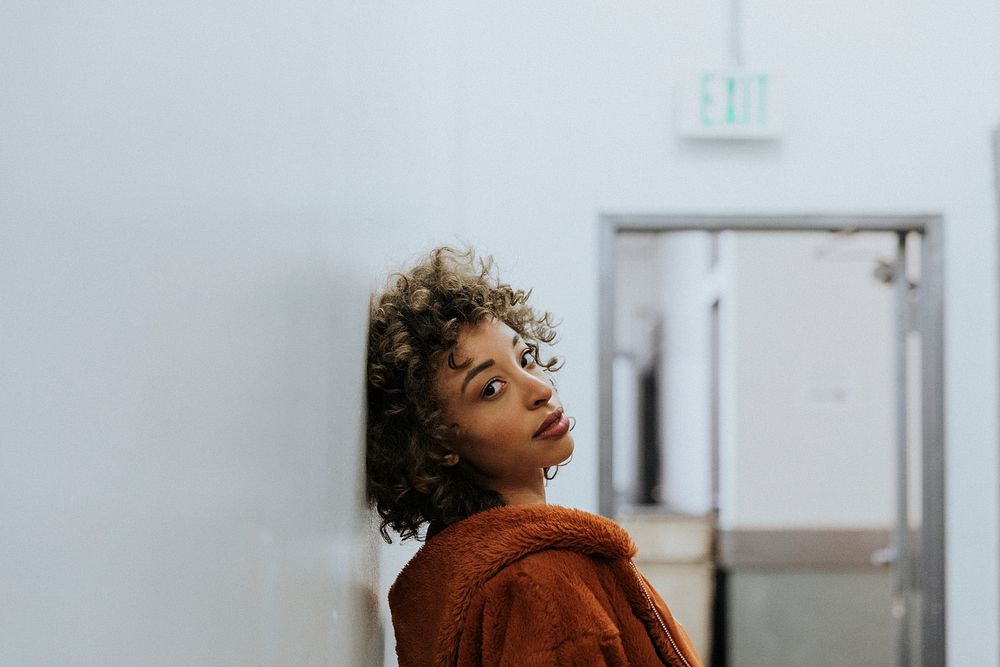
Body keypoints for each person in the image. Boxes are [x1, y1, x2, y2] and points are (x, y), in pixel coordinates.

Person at [366, 247, 702, 667]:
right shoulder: (542, 583)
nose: (540, 388)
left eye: (525, 358)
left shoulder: (447, 570)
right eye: (491, 388)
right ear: (436, 443)